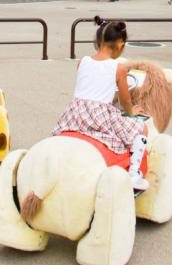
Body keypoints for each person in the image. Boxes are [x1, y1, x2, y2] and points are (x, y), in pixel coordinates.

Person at [52, 16, 150, 190]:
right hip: (100, 116)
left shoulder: (82, 62)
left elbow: (93, 90)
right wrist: (131, 111)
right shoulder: (119, 68)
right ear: (120, 44)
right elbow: (125, 100)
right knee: (142, 129)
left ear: (98, 42)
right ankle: (134, 173)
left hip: (75, 114)